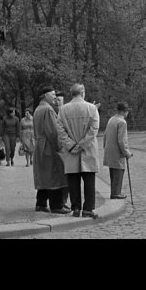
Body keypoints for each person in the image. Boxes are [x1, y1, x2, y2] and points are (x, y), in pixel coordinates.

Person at [56, 83, 101, 218]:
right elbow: (94, 129)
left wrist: (71, 145)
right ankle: (88, 209)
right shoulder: (92, 108)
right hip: (88, 149)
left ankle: (75, 208)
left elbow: (60, 130)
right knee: (89, 181)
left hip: (71, 151)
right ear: (83, 93)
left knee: (73, 181)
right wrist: (82, 145)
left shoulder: (63, 110)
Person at [32, 86, 70, 214]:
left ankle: (41, 203)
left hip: (40, 144)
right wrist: (59, 146)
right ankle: (56, 205)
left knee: (44, 175)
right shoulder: (48, 110)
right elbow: (53, 132)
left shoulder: (38, 108)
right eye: (52, 94)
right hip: (48, 146)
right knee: (55, 174)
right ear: (45, 96)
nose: (54, 97)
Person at [102, 102, 134, 199]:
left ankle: (114, 191)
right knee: (119, 171)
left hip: (109, 150)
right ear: (125, 112)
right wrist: (126, 152)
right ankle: (116, 193)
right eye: (127, 111)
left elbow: (105, 135)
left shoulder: (111, 119)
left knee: (113, 172)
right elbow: (122, 140)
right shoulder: (122, 122)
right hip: (117, 152)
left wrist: (105, 147)